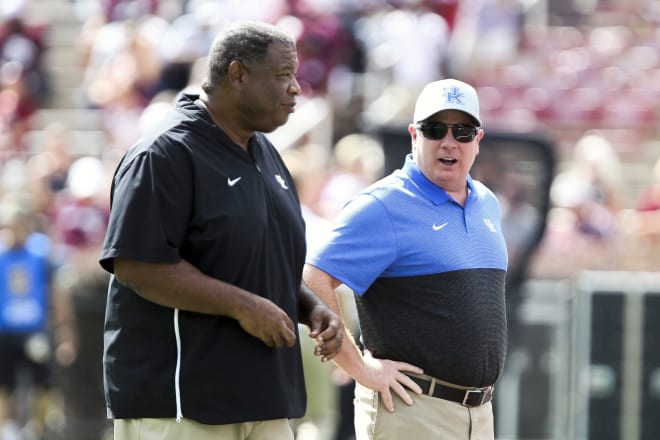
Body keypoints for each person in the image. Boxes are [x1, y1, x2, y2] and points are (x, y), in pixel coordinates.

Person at [99, 20, 343, 440]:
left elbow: (262, 258)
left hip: (264, 400)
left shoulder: (264, 151)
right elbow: (136, 264)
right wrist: (243, 306)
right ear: (237, 74)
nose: (296, 88)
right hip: (184, 405)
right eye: (283, 75)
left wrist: (309, 308)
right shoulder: (164, 152)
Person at [304, 78, 508, 439]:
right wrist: (360, 368)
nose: (448, 142)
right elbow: (313, 277)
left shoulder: (487, 202)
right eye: (434, 129)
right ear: (415, 135)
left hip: (481, 414)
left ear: (478, 139)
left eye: (461, 131)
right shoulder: (383, 205)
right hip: (412, 412)